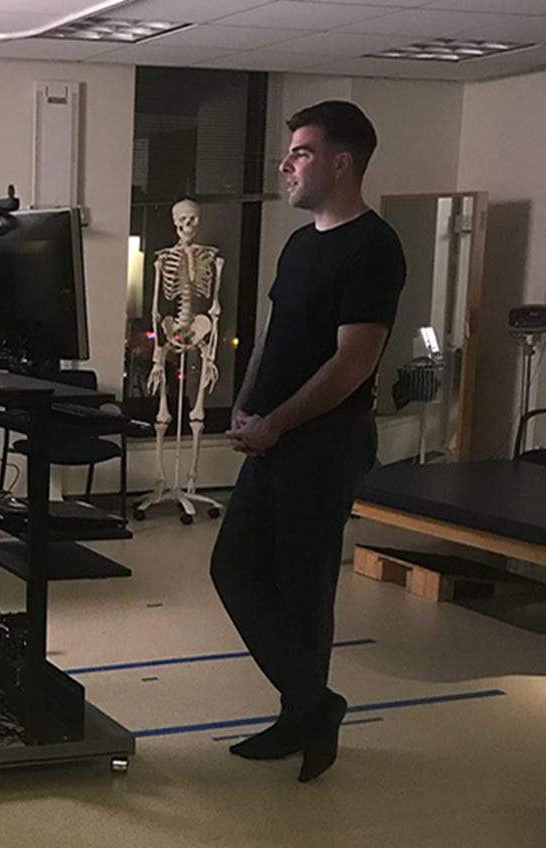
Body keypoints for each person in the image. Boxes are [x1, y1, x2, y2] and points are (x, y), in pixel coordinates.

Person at [210, 101, 406, 783]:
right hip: (274, 438)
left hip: (325, 445)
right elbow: (274, 333)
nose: (286, 164)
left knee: (304, 588)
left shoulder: (374, 247)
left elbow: (355, 360)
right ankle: (312, 704)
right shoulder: (299, 244)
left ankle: (304, 713)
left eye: (300, 152)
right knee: (232, 569)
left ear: (340, 162)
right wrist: (245, 401)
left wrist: (278, 423)